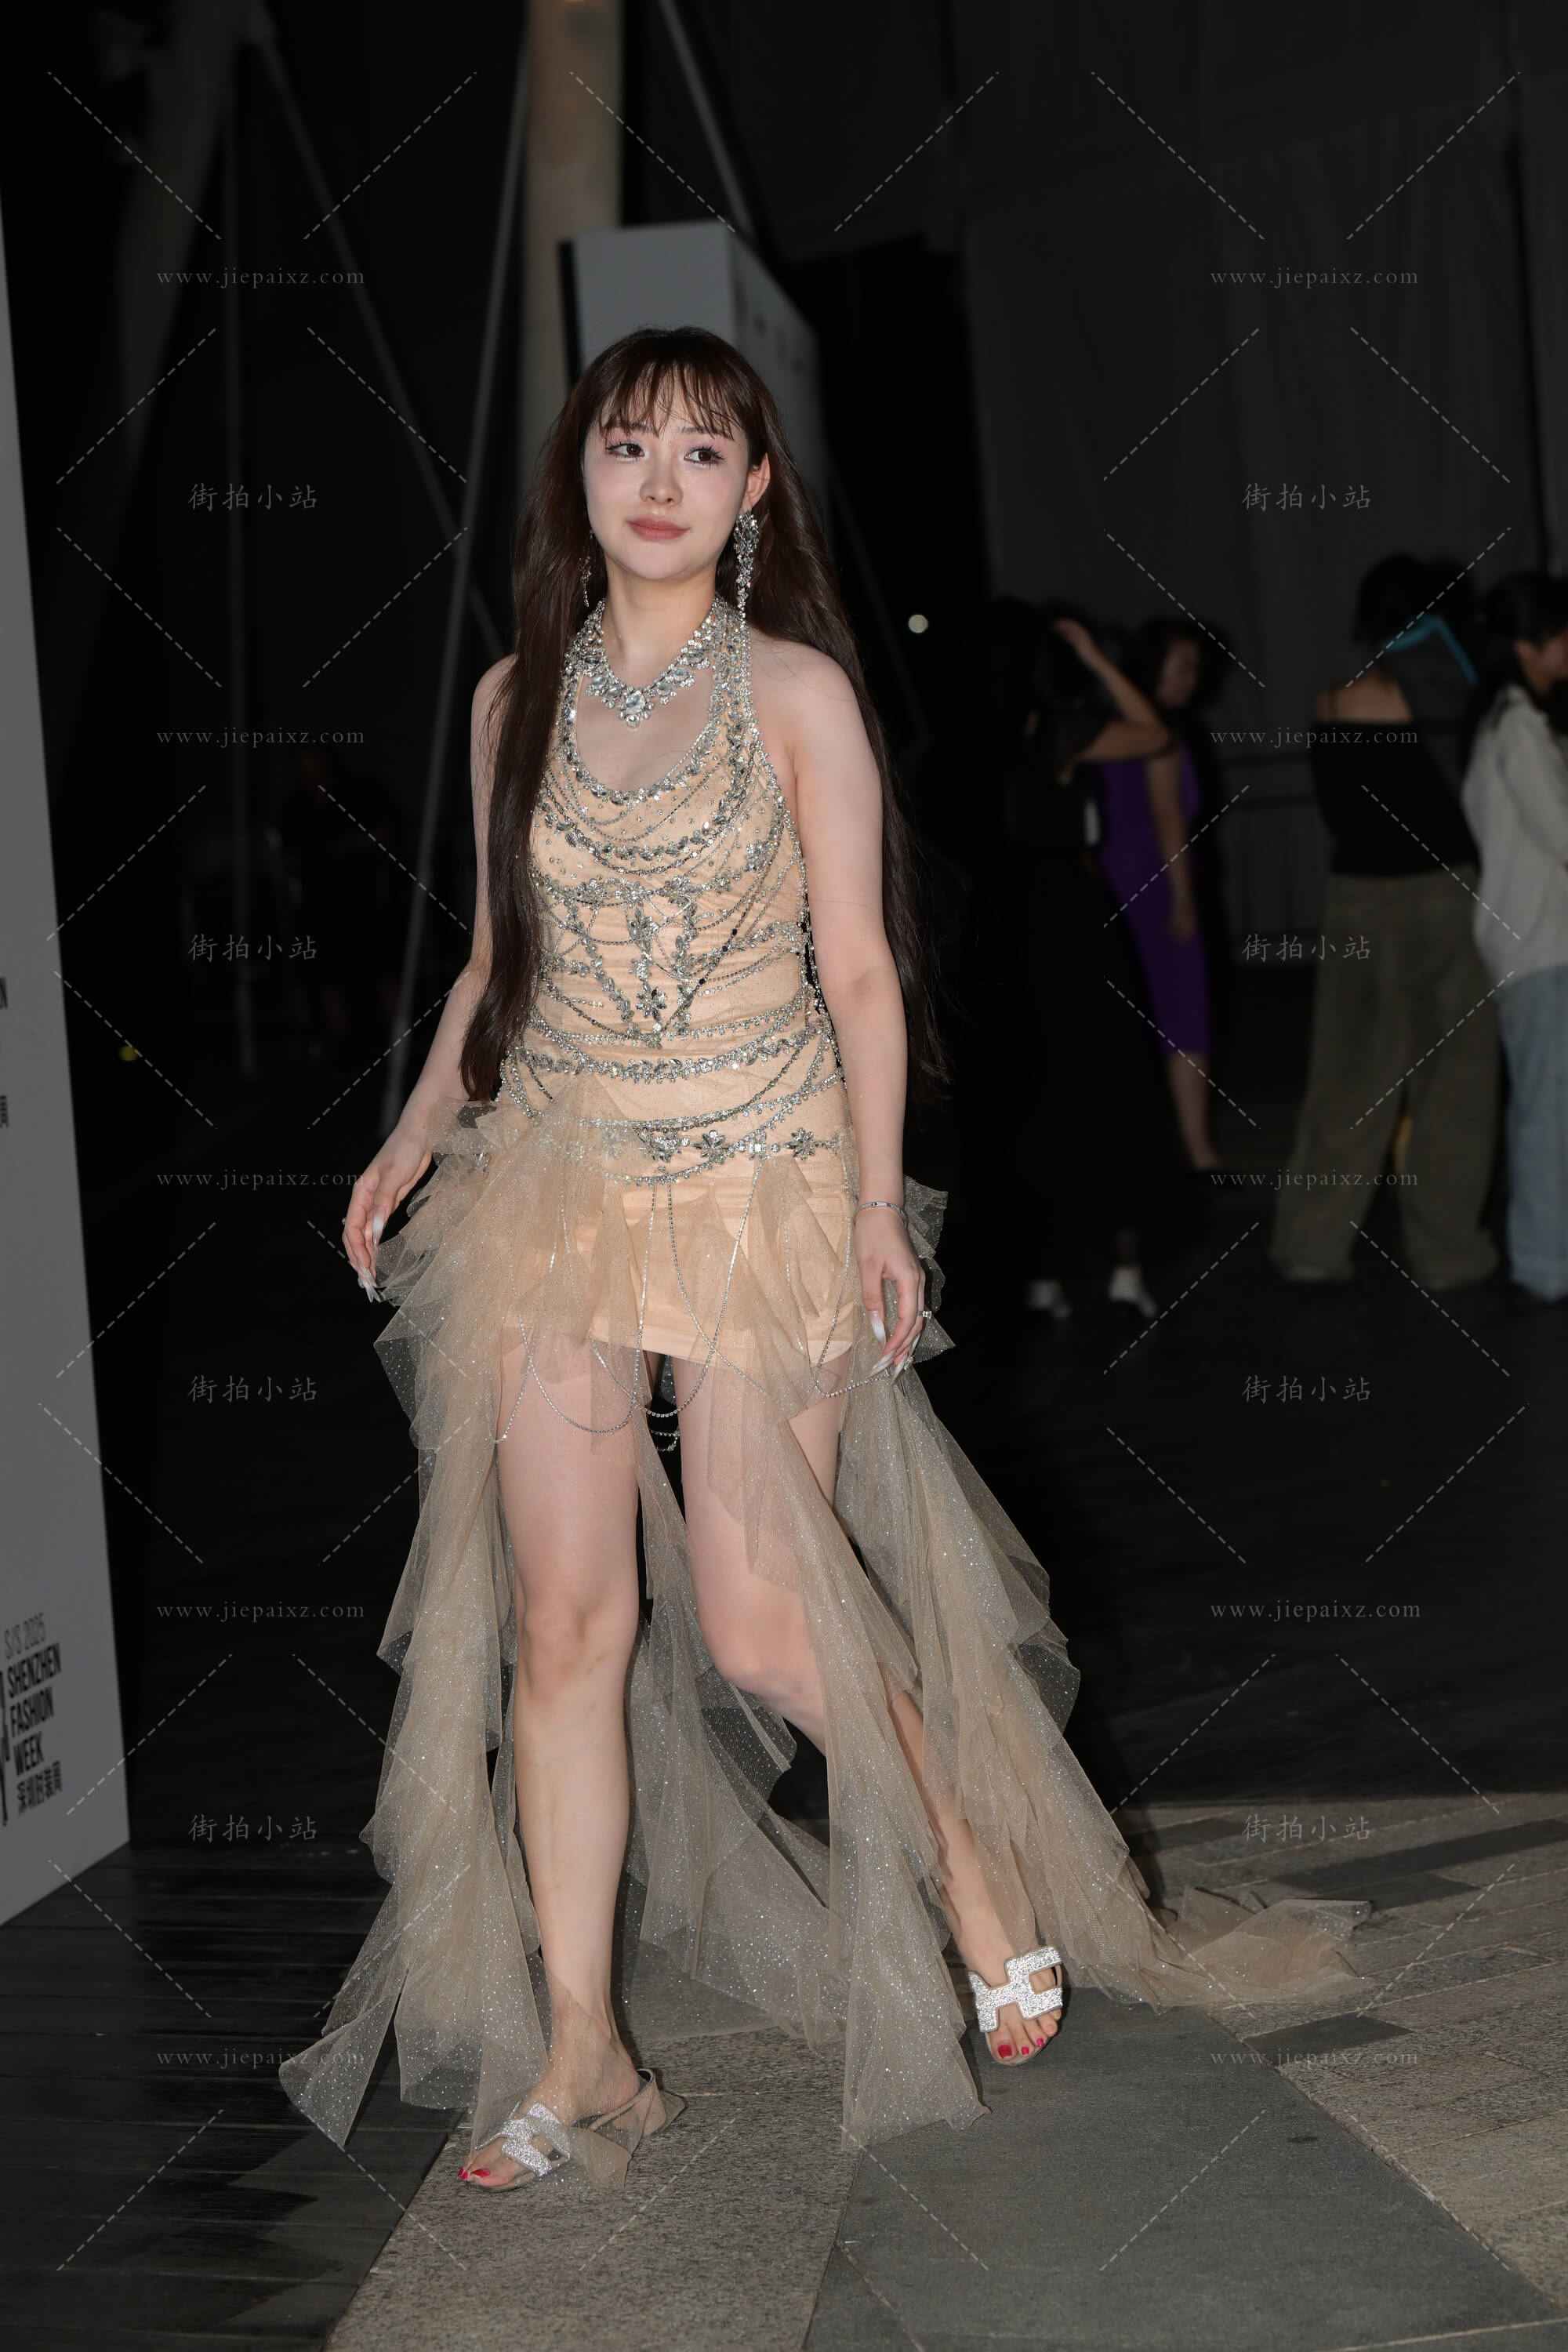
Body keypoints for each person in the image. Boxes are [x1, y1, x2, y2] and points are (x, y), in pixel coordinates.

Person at [278, 328, 1367, 2193]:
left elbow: (859, 971)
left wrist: (872, 1207)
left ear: (755, 492)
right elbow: (492, 962)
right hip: (554, 1173)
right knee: (563, 1623)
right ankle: (583, 2048)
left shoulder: (793, 692)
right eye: (627, 444)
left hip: (757, 1172)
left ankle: (967, 1864)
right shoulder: (506, 698)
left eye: (702, 453)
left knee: (764, 1616)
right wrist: (409, 1136)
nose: (659, 482)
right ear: (578, 472)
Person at [1270, 554, 1499, 1291]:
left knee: (1345, 1080)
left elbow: (1341, 814)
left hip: (1356, 898)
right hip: (1443, 894)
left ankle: (1310, 1246)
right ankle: (1448, 1252)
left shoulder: (1332, 701)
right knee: (1454, 1084)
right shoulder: (1450, 691)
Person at [987, 607, 1182, 1322]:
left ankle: (1048, 1272)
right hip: (1072, 918)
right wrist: (1100, 662)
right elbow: (1156, 733)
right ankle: (1117, 1267)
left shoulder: (1007, 730)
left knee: (1045, 1089)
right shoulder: (1065, 730)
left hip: (1017, 919)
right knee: (1109, 1085)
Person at [1461, 572, 1568, 1305]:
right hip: (1541, 943)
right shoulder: (1519, 730)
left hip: (1532, 941)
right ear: (1531, 644)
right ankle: (1543, 1263)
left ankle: (1545, 1255)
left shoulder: (1509, 722)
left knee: (1545, 1107)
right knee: (1546, 1111)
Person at [1097, 619, 1220, 1171]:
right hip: (1154, 885)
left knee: (1149, 1013)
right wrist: (1184, 899)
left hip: (1118, 884)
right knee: (1183, 1014)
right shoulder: (1156, 734)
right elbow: (1170, 818)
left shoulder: (1111, 728)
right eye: (1183, 666)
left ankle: (1172, 1149)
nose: (1192, 678)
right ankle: (1197, 1151)